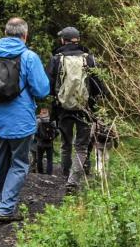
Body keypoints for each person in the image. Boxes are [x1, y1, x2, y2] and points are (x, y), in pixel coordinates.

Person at [0, 18, 51, 223]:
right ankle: (5, 208)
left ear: (5, 32)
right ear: (25, 35)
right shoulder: (29, 57)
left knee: (0, 162)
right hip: (21, 121)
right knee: (20, 164)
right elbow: (42, 90)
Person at [47, 26, 107, 194]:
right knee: (81, 146)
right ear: (78, 40)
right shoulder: (89, 59)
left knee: (66, 144)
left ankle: (65, 178)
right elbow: (99, 87)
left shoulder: (56, 59)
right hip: (85, 109)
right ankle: (73, 182)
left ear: (63, 40)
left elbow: (49, 86)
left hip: (63, 108)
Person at [33, 108, 57, 174]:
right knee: (50, 159)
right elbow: (56, 131)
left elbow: (34, 131)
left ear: (41, 113)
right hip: (49, 143)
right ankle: (49, 173)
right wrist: (52, 138)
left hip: (40, 143)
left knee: (39, 159)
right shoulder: (52, 121)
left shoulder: (38, 120)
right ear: (48, 113)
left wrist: (37, 138)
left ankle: (40, 172)